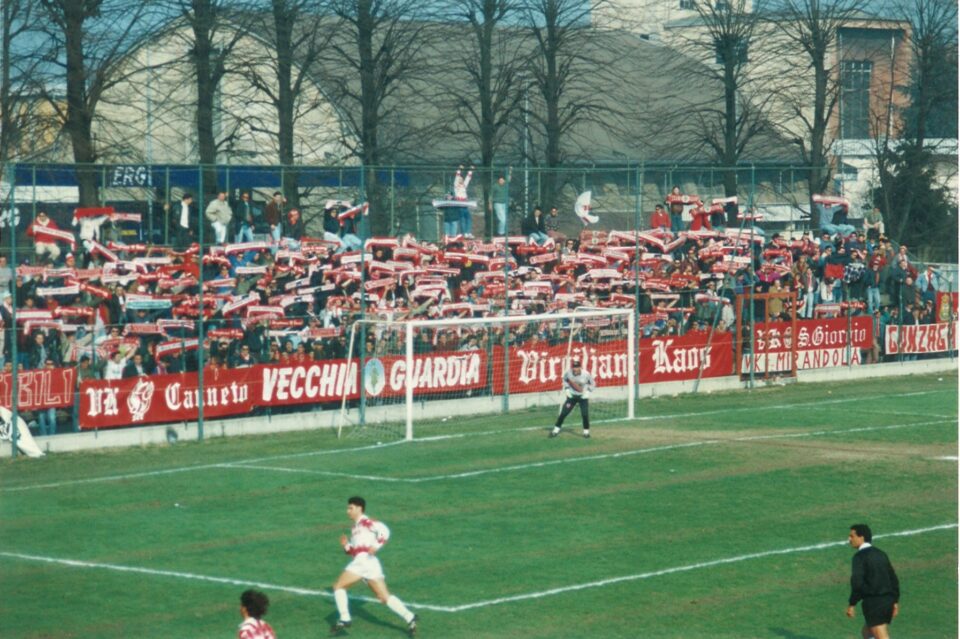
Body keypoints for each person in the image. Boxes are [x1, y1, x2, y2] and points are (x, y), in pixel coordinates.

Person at [331, 496, 418, 636]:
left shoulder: (366, 522)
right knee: (383, 596)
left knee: (338, 586)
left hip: (364, 561)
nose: (348, 511)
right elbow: (354, 552)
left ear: (359, 508)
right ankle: (410, 617)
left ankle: (345, 618)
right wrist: (346, 545)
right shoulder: (355, 528)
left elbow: (385, 531)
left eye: (350, 508)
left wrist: (376, 546)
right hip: (369, 563)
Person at [847, 523, 900, 639]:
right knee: (867, 632)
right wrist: (895, 601)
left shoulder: (859, 557)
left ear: (861, 537)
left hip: (874, 602)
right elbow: (893, 579)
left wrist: (852, 603)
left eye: (852, 536)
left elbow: (857, 582)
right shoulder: (881, 554)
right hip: (888, 600)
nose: (849, 539)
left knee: (880, 635)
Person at [549, 358, 596, 439]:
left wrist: (588, 391)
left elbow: (593, 384)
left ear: (580, 367)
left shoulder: (586, 374)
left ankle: (586, 432)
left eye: (577, 367)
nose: (575, 369)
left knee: (585, 414)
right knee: (564, 413)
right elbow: (564, 380)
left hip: (583, 397)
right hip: (572, 397)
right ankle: (555, 430)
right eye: (574, 367)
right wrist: (567, 389)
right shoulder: (568, 373)